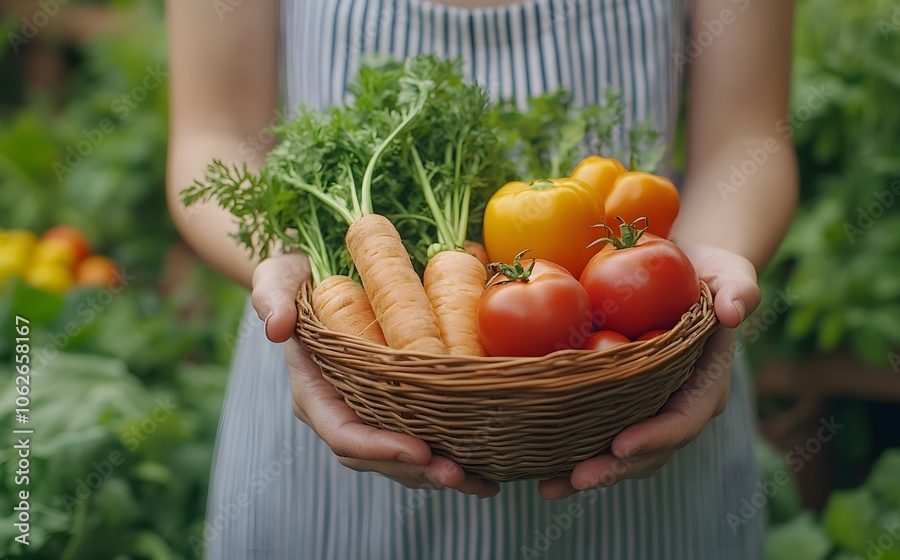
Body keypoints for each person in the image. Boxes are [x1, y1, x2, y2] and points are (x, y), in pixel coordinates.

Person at [166, 0, 797, 557]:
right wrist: (301, 277)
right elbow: (209, 132)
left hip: (641, 368)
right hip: (344, 360)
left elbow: (747, 139)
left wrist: (708, 274)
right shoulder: (336, 312)